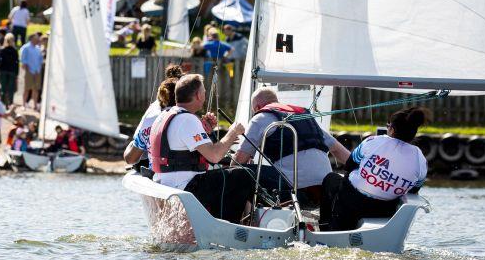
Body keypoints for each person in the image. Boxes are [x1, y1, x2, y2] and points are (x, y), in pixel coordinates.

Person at [148, 74, 253, 224]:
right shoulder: (187, 120)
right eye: (204, 92)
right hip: (185, 188)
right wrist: (232, 133)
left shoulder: (165, 115)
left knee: (225, 177)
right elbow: (214, 156)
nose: (205, 95)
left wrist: (206, 132)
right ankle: (230, 227)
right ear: (198, 95)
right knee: (242, 175)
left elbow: (181, 145)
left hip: (168, 184)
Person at [233, 88, 350, 208]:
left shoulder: (260, 117)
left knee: (237, 173)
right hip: (324, 191)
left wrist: (229, 167)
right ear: (276, 101)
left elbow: (238, 161)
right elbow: (342, 153)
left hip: (293, 191)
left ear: (257, 108)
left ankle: (237, 221)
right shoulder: (305, 118)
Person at [319, 107, 430, 232]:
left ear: (392, 129)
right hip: (384, 210)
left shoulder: (373, 141)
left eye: (388, 126)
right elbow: (414, 190)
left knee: (330, 178)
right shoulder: (421, 160)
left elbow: (349, 166)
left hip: (351, 203)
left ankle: (324, 227)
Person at [124, 63, 184, 167]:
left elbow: (130, 158)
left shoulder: (155, 108)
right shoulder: (182, 115)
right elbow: (131, 158)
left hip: (146, 155)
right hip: (149, 160)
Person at [19, 33, 43, 109]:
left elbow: (40, 60)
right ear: (32, 38)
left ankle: (35, 105)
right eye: (36, 38)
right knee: (27, 89)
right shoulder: (26, 48)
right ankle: (23, 104)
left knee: (36, 89)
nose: (38, 39)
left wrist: (38, 70)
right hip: (29, 71)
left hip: (37, 71)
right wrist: (27, 69)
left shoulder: (38, 48)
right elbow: (23, 60)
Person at [0, 33, 19, 106]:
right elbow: (17, 63)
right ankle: (10, 103)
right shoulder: (14, 51)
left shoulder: (2, 50)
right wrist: (17, 74)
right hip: (12, 72)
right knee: (10, 89)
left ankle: (3, 103)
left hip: (3, 71)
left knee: (4, 88)